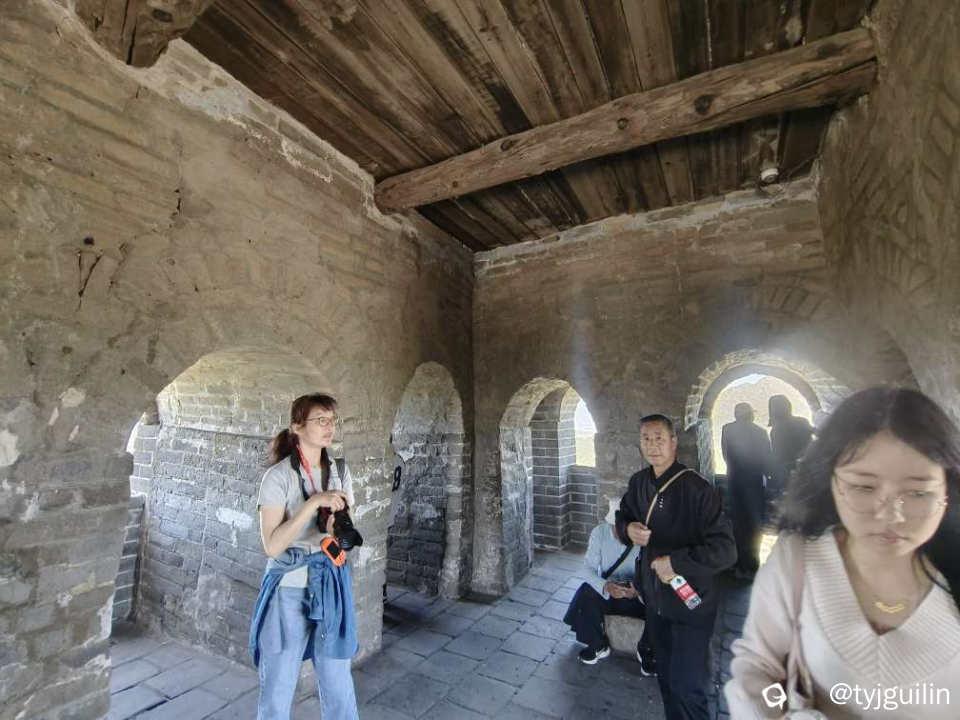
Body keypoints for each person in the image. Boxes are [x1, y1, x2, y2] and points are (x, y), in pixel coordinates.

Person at [725, 387, 960, 719]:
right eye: (864, 487)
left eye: (918, 493)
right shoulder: (797, 562)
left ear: (948, 488)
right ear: (831, 480)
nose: (891, 515)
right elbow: (759, 670)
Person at [249, 393, 360, 720]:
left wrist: (334, 527)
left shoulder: (339, 470)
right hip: (289, 586)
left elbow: (346, 527)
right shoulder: (277, 477)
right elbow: (272, 546)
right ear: (297, 427)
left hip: (330, 583)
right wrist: (312, 503)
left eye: (332, 420)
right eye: (320, 420)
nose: (329, 427)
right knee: (279, 685)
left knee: (338, 683)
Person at [619, 414, 737, 720]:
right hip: (655, 601)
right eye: (646, 439)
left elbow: (725, 551)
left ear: (674, 442)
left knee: (689, 686)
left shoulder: (697, 489)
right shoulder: (639, 483)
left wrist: (676, 562)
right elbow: (623, 516)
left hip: (691, 605)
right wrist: (627, 529)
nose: (652, 445)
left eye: (659, 438)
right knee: (667, 680)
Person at [562, 499, 655, 673]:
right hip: (610, 592)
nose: (619, 532)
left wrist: (638, 589)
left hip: (636, 595)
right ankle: (598, 644)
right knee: (585, 592)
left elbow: (653, 573)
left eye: (623, 528)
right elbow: (587, 569)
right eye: (615, 527)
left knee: (660, 601)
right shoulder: (600, 533)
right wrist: (605, 586)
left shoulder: (644, 539)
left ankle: (646, 649)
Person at [722, 402, 776, 578]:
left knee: (737, 524)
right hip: (753, 482)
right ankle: (751, 567)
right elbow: (767, 459)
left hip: (734, 480)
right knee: (754, 526)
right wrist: (772, 481)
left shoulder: (727, 429)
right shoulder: (760, 432)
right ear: (751, 415)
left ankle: (738, 564)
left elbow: (725, 455)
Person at [769, 395, 815, 491]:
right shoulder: (802, 421)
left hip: (789, 474)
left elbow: (778, 456)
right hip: (809, 468)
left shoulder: (776, 430)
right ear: (788, 406)